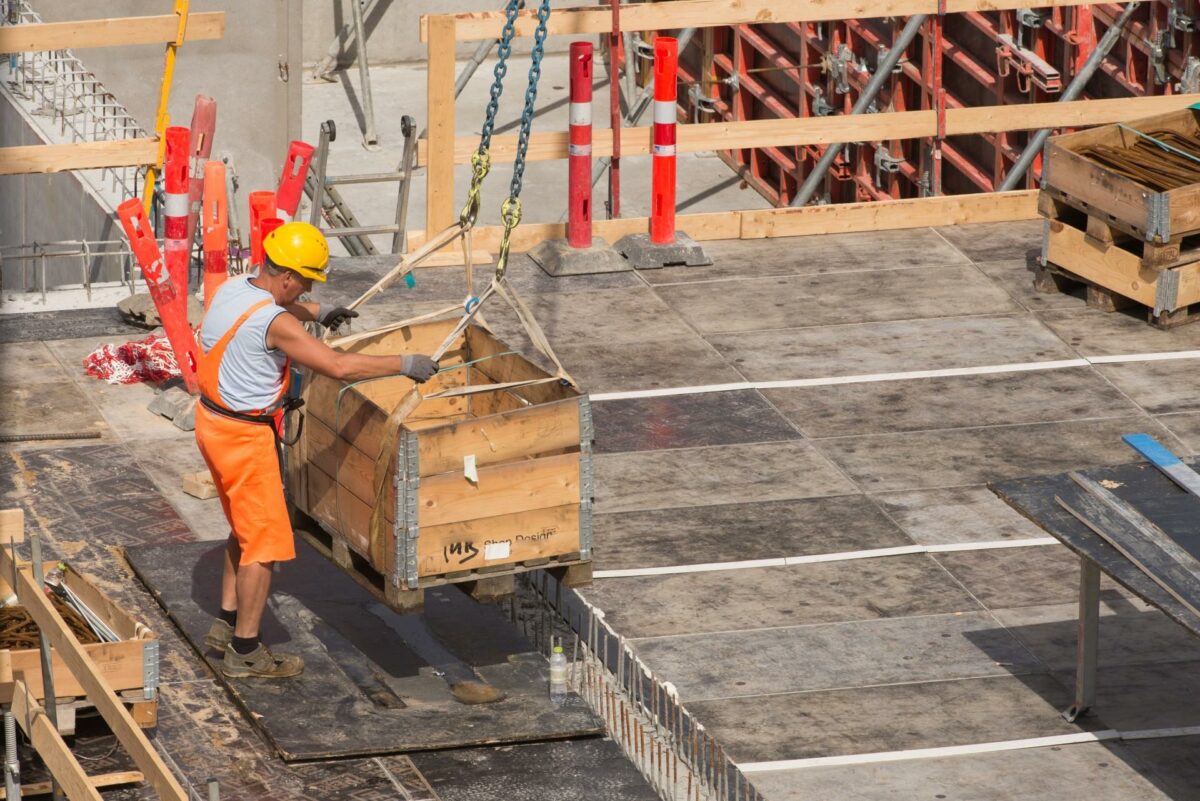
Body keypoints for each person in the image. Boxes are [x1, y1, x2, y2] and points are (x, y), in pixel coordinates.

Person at [194, 221, 438, 678]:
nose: (306, 289)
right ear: (287, 277)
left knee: (244, 529)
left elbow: (280, 311)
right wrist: (405, 364)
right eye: (305, 282)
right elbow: (338, 366)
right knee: (263, 545)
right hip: (245, 439)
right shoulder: (274, 320)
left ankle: (226, 624)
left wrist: (319, 311)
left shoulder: (233, 288)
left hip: (212, 424)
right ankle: (245, 652)